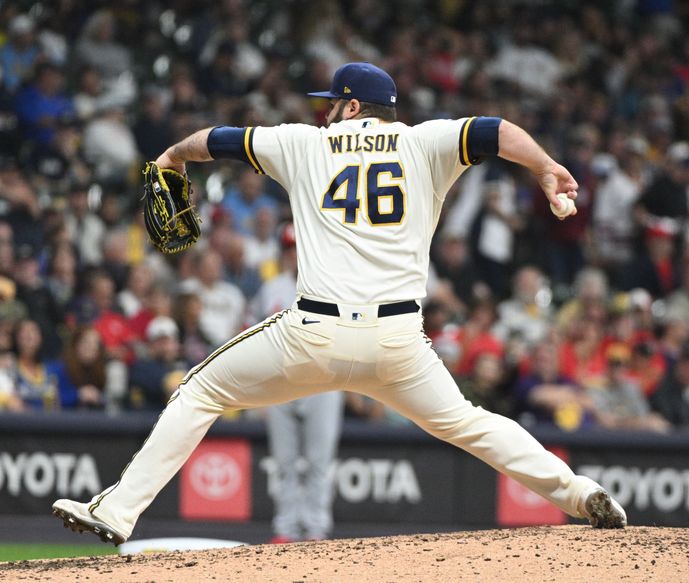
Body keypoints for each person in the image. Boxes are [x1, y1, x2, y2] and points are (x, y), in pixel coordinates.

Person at [52, 62, 626, 544]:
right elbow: (497, 130)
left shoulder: (302, 143)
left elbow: (217, 140)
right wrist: (548, 168)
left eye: (333, 102)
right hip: (400, 344)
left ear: (353, 107)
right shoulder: (425, 142)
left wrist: (174, 154)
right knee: (471, 424)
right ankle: (579, 491)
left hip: (314, 333)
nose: (325, 110)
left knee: (201, 389)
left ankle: (117, 511)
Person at [252, 224, 344, 543]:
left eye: (299, 248)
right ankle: (286, 529)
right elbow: (258, 339)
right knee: (284, 462)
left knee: (320, 461)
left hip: (323, 380)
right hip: (281, 381)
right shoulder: (272, 288)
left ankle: (316, 529)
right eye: (290, 249)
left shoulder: (332, 285)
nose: (295, 254)